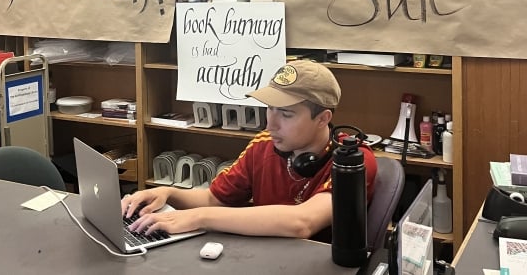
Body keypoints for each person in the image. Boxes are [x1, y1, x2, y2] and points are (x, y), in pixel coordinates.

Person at [121, 59, 377, 240]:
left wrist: (199, 218)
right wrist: (167, 193)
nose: (270, 123)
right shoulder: (264, 145)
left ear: (323, 118)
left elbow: (303, 223)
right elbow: (215, 199)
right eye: (270, 109)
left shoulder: (354, 160)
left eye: (286, 114)